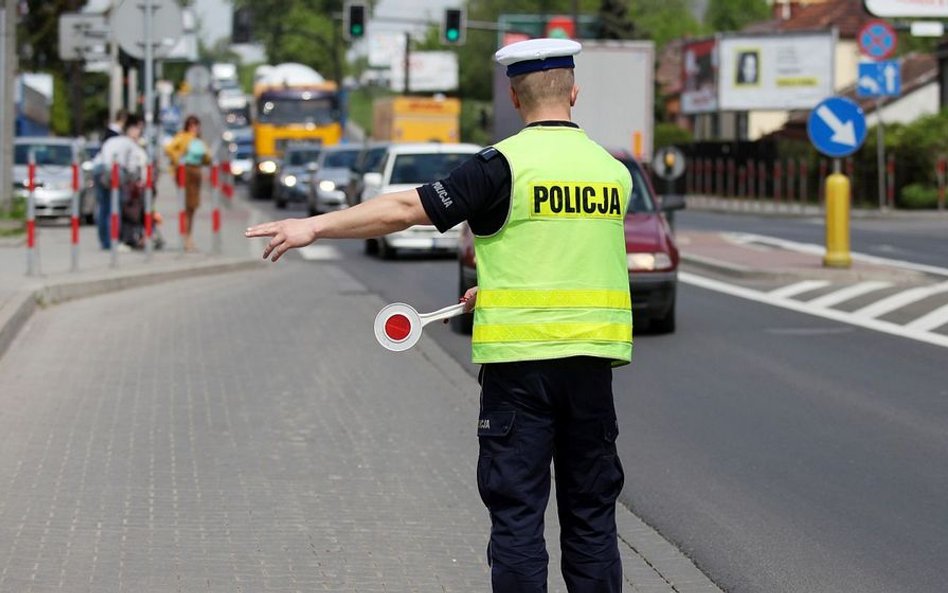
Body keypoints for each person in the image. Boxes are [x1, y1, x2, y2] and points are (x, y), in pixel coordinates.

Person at [245, 38, 633, 593]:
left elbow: (406, 208)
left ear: (514, 97)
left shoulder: (504, 165)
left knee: (519, 519)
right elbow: (573, 258)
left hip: (519, 373)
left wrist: (315, 225)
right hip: (592, 369)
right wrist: (495, 291)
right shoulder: (610, 171)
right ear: (574, 92)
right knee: (593, 520)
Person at [94, 113, 147, 250]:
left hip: (99, 168)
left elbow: (103, 153)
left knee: (104, 207)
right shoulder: (130, 144)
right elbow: (132, 166)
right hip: (112, 171)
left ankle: (105, 241)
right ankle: (113, 242)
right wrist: (134, 179)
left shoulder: (114, 140)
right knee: (114, 207)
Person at [165, 115, 210, 251]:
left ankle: (189, 236)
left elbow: (207, 157)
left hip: (196, 172)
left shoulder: (199, 140)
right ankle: (186, 238)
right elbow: (169, 148)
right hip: (186, 172)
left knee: (192, 207)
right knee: (186, 206)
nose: (194, 128)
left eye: (196, 125)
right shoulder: (183, 137)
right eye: (191, 125)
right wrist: (178, 159)